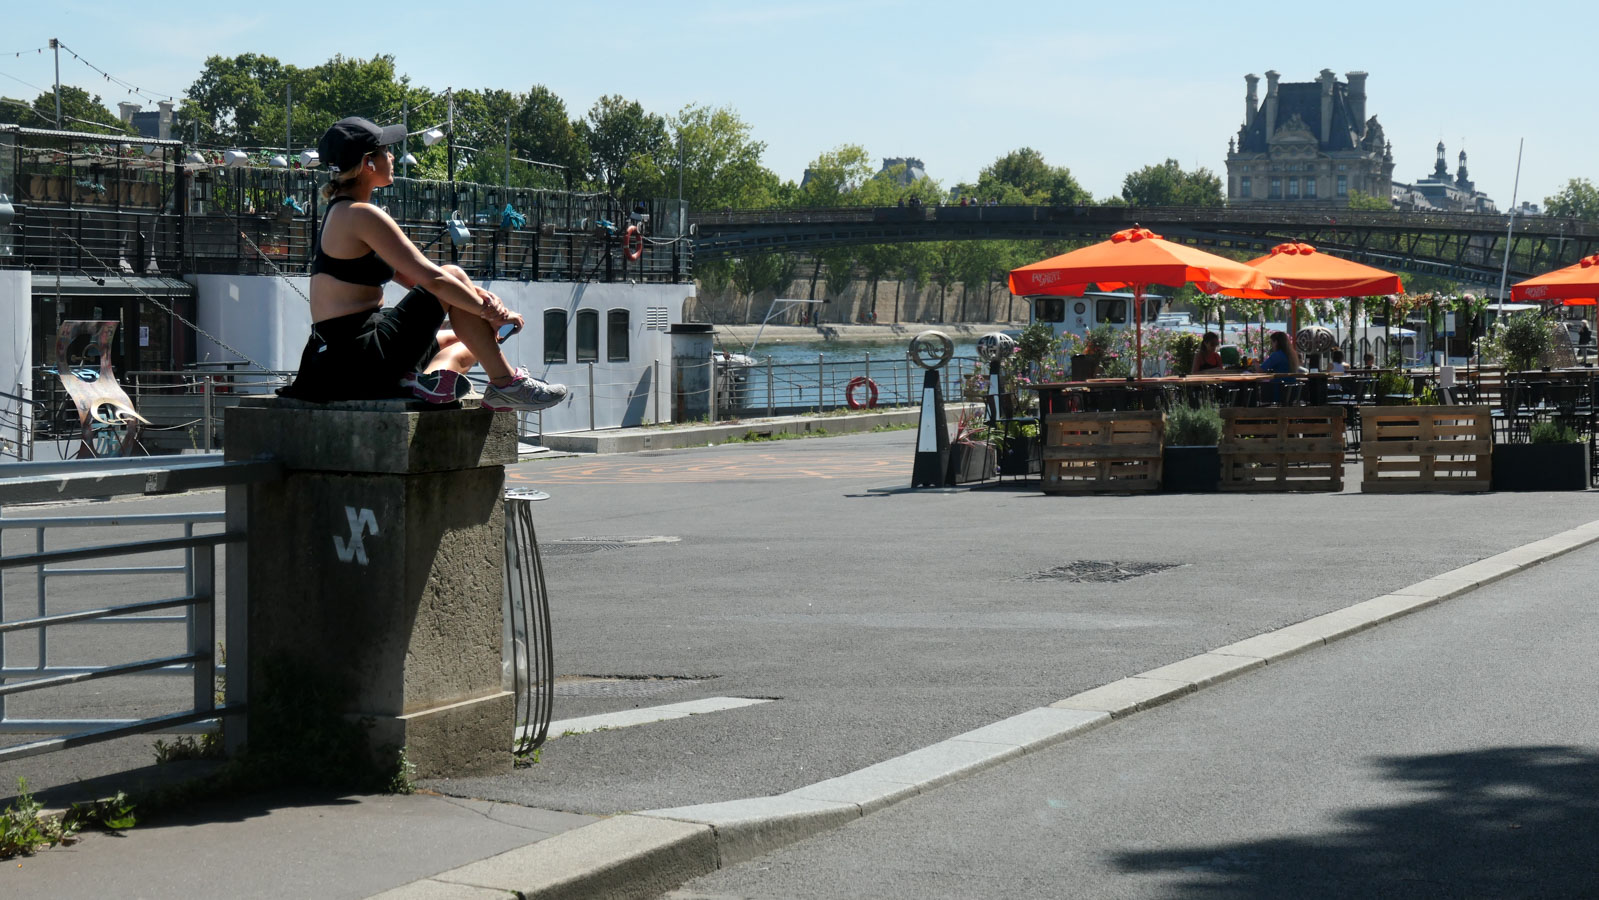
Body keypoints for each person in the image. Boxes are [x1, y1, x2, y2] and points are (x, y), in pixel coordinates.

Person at [280, 117, 566, 411]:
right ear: (368, 163)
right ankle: (506, 383)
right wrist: (491, 312)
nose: (392, 157)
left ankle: (425, 381)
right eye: (386, 151)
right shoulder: (360, 214)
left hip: (340, 358)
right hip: (356, 353)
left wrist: (482, 301)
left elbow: (413, 277)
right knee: (453, 275)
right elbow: (434, 279)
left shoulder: (342, 212)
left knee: (476, 339)